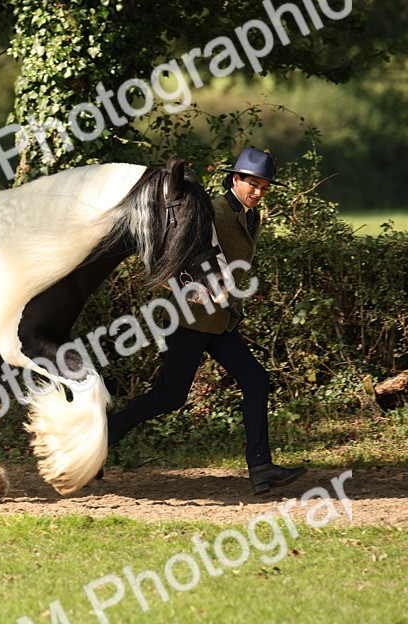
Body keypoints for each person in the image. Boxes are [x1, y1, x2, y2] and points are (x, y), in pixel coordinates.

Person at [104, 147, 306, 494]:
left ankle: (261, 468)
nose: (258, 192)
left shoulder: (248, 214)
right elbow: (164, 258)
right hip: (188, 321)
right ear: (235, 178)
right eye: (252, 184)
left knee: (256, 380)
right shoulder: (209, 211)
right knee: (169, 396)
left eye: (264, 187)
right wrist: (190, 289)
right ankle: (97, 443)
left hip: (219, 322)